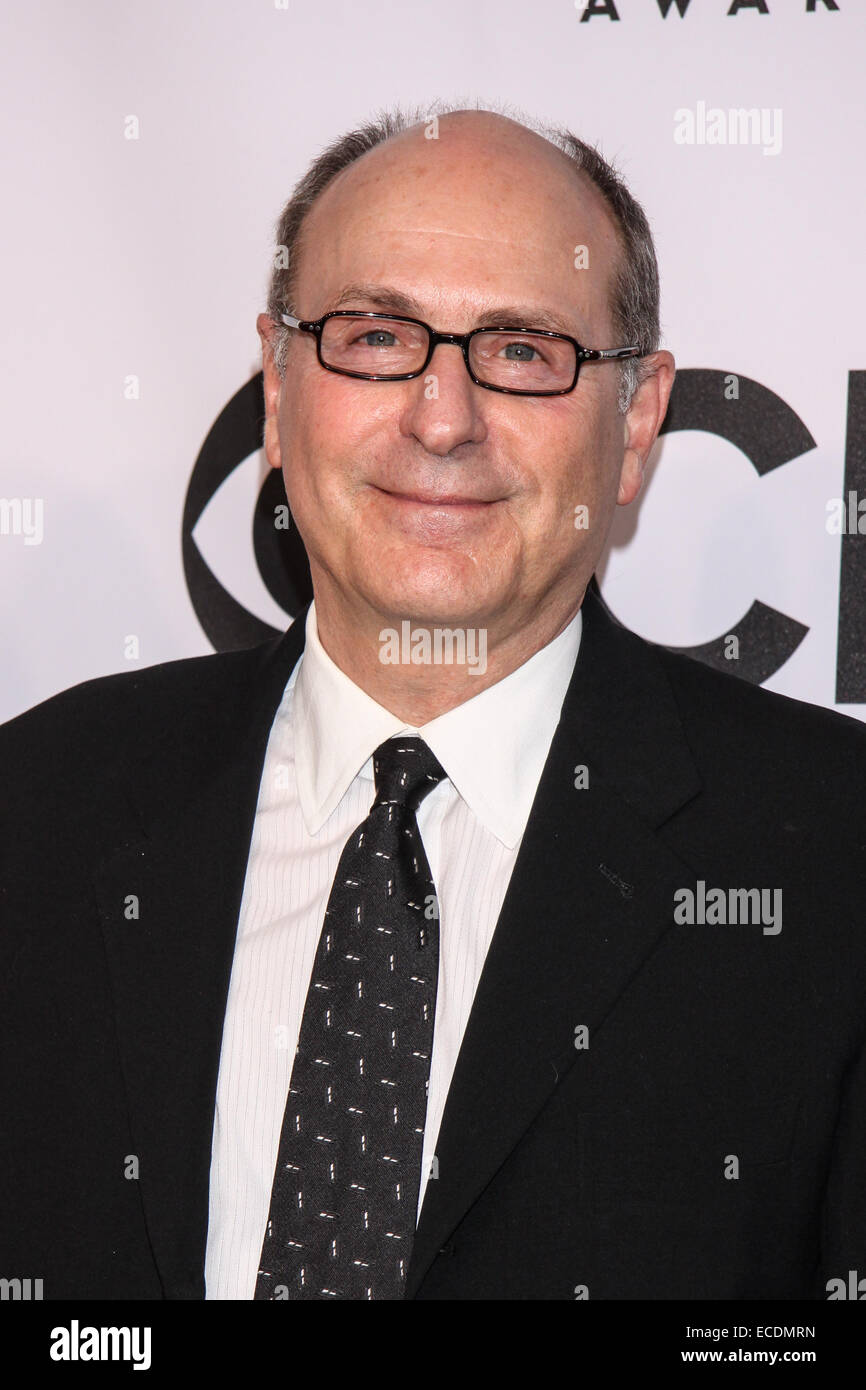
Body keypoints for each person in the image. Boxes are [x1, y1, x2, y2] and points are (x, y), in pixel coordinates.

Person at [1, 101, 864, 1302]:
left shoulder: (830, 858)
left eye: (520, 350)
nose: (441, 417)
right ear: (275, 385)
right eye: (373, 337)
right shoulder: (37, 807)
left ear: (637, 421)